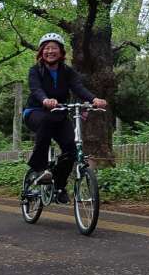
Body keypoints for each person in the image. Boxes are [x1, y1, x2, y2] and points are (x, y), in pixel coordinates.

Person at [23, 32, 107, 204]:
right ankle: (39, 168)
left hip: (59, 114)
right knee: (46, 121)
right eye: (47, 48)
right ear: (41, 52)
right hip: (35, 112)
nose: (50, 51)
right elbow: (36, 89)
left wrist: (93, 99)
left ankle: (60, 187)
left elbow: (78, 87)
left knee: (71, 149)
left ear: (61, 52)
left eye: (54, 48)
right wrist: (45, 100)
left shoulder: (68, 72)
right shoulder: (35, 71)